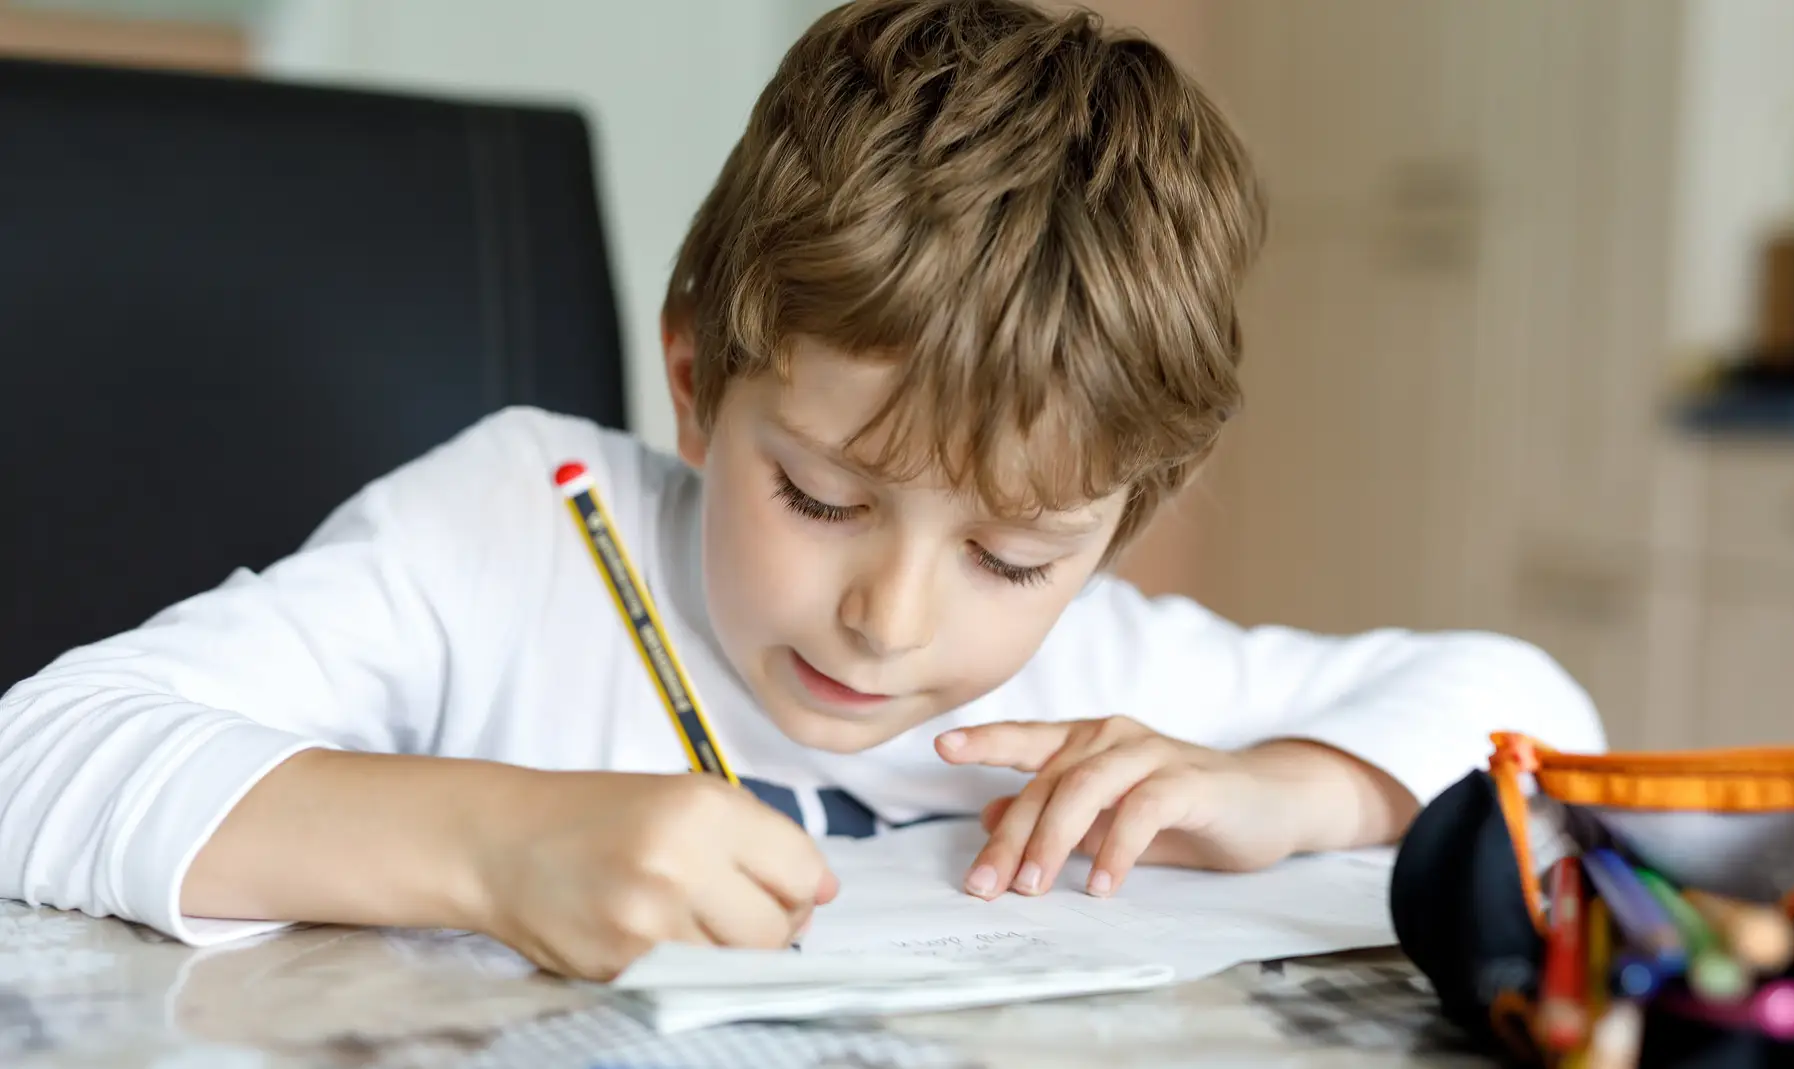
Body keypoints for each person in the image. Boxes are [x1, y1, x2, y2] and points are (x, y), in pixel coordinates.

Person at [0, 0, 1602, 982]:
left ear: (1124, 511)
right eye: (823, 498)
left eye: (1013, 553)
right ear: (698, 381)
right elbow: (37, 757)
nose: (891, 618)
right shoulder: (512, 529)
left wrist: (1293, 792)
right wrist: (498, 846)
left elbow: (1536, 710)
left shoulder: (1095, 682)